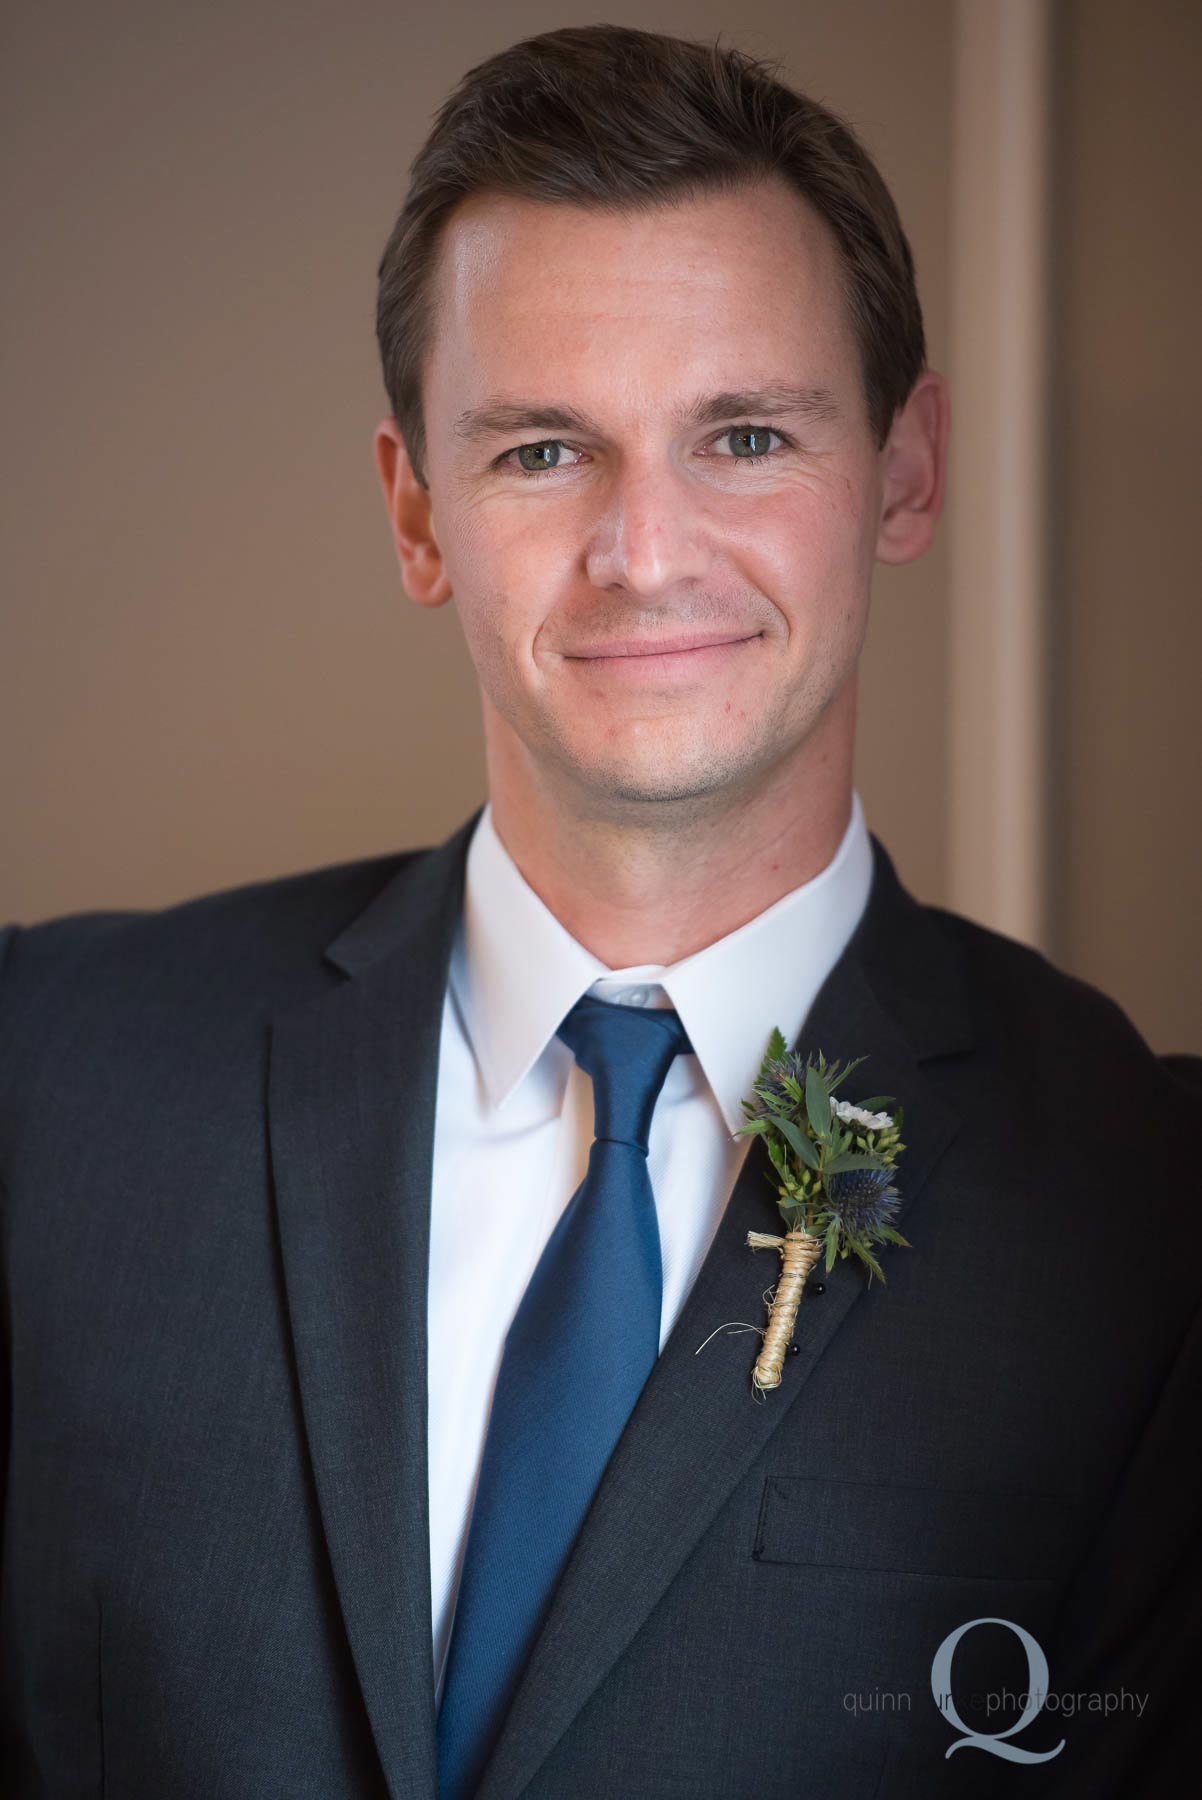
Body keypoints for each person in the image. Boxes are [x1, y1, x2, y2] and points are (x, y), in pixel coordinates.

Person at [1, 22, 1197, 1800]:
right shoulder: (49, 1075)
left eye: (741, 434)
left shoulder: (1145, 1199)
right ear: (417, 515)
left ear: (903, 473)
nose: (645, 552)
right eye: (545, 452)